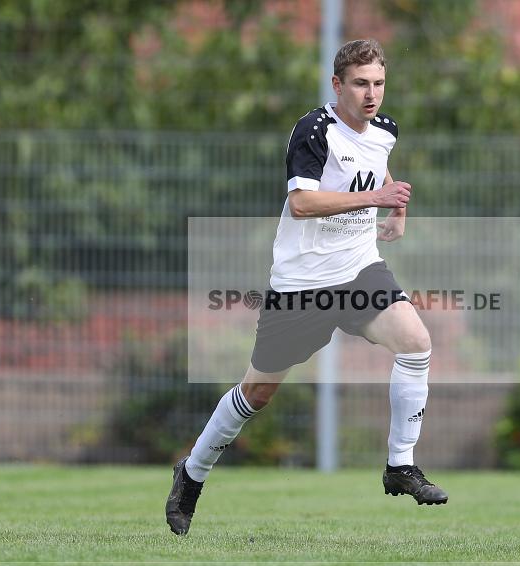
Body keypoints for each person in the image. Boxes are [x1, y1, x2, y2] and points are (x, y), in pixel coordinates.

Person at [166, 39, 448, 536]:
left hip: (360, 271)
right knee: (255, 393)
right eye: (360, 83)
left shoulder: (385, 130)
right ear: (337, 85)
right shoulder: (313, 130)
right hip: (302, 287)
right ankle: (191, 473)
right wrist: (377, 196)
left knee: (417, 344)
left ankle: (400, 466)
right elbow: (302, 203)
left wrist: (395, 204)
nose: (371, 94)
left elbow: (378, 167)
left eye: (379, 83)